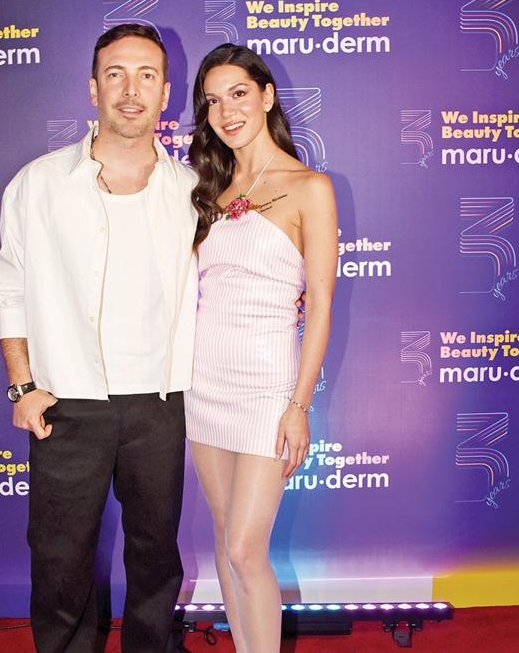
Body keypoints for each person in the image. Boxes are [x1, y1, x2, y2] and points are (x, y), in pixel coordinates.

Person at [0, 24, 198, 653]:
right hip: (66, 401)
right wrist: (22, 385)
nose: (131, 90)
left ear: (166, 93)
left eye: (147, 76)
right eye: (116, 74)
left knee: (156, 556)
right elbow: (9, 288)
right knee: (59, 559)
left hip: (160, 402)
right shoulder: (37, 184)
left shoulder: (193, 192)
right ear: (92, 88)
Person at [184, 43, 337, 653]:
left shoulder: (310, 187)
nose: (226, 112)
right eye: (212, 101)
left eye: (239, 94)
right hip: (205, 383)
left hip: (268, 388)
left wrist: (299, 404)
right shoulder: (206, 188)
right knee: (225, 538)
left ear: (267, 96)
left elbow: (320, 305)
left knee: (247, 547)